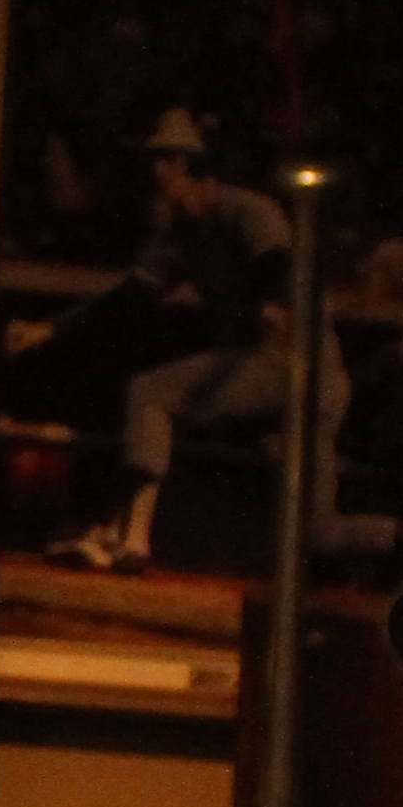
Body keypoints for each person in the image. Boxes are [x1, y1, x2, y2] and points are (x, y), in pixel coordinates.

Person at [59, 108, 293, 570]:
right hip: (243, 360)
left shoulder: (247, 209)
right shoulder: (178, 232)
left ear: (186, 165)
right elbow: (129, 298)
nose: (155, 170)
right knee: (145, 392)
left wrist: (270, 303)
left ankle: (128, 537)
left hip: (291, 363)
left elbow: (277, 263)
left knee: (151, 393)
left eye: (165, 159)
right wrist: (51, 329)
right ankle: (119, 531)